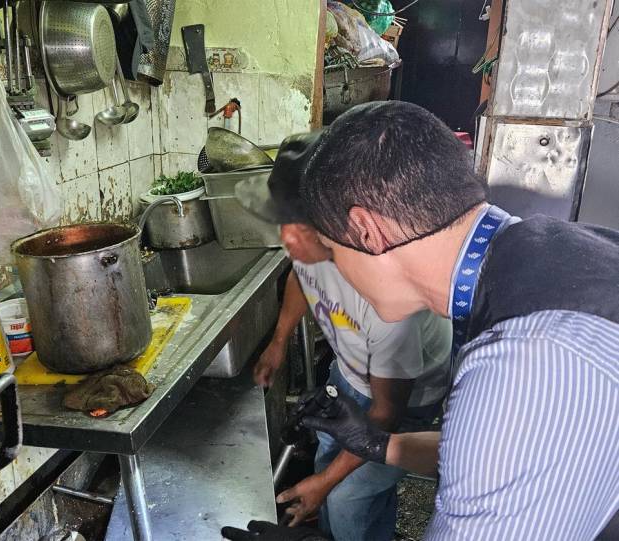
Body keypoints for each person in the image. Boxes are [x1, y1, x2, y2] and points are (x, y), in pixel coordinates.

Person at [291, 101, 618, 540]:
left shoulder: (525, 362)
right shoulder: (539, 249)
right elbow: (509, 454)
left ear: (366, 230)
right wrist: (376, 444)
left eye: (333, 251)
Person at [237, 134, 451, 541]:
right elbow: (302, 279)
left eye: (300, 225)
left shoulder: (386, 293)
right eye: (285, 221)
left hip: (407, 398)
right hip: (350, 375)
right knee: (330, 470)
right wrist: (279, 339)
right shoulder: (308, 244)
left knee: (346, 498)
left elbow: (386, 414)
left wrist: (323, 487)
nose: (288, 239)